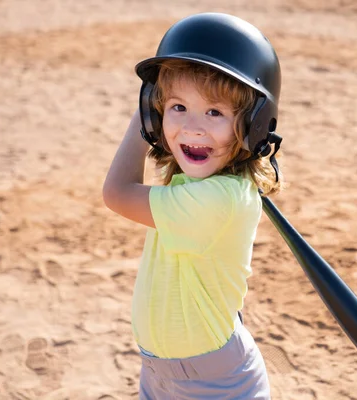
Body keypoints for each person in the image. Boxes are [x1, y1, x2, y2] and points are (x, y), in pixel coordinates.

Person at [102, 13, 284, 399]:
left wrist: (142, 115)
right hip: (161, 374)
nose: (193, 127)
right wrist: (154, 106)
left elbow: (117, 192)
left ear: (254, 124)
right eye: (177, 107)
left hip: (212, 386)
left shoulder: (216, 198)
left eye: (215, 112)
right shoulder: (202, 183)